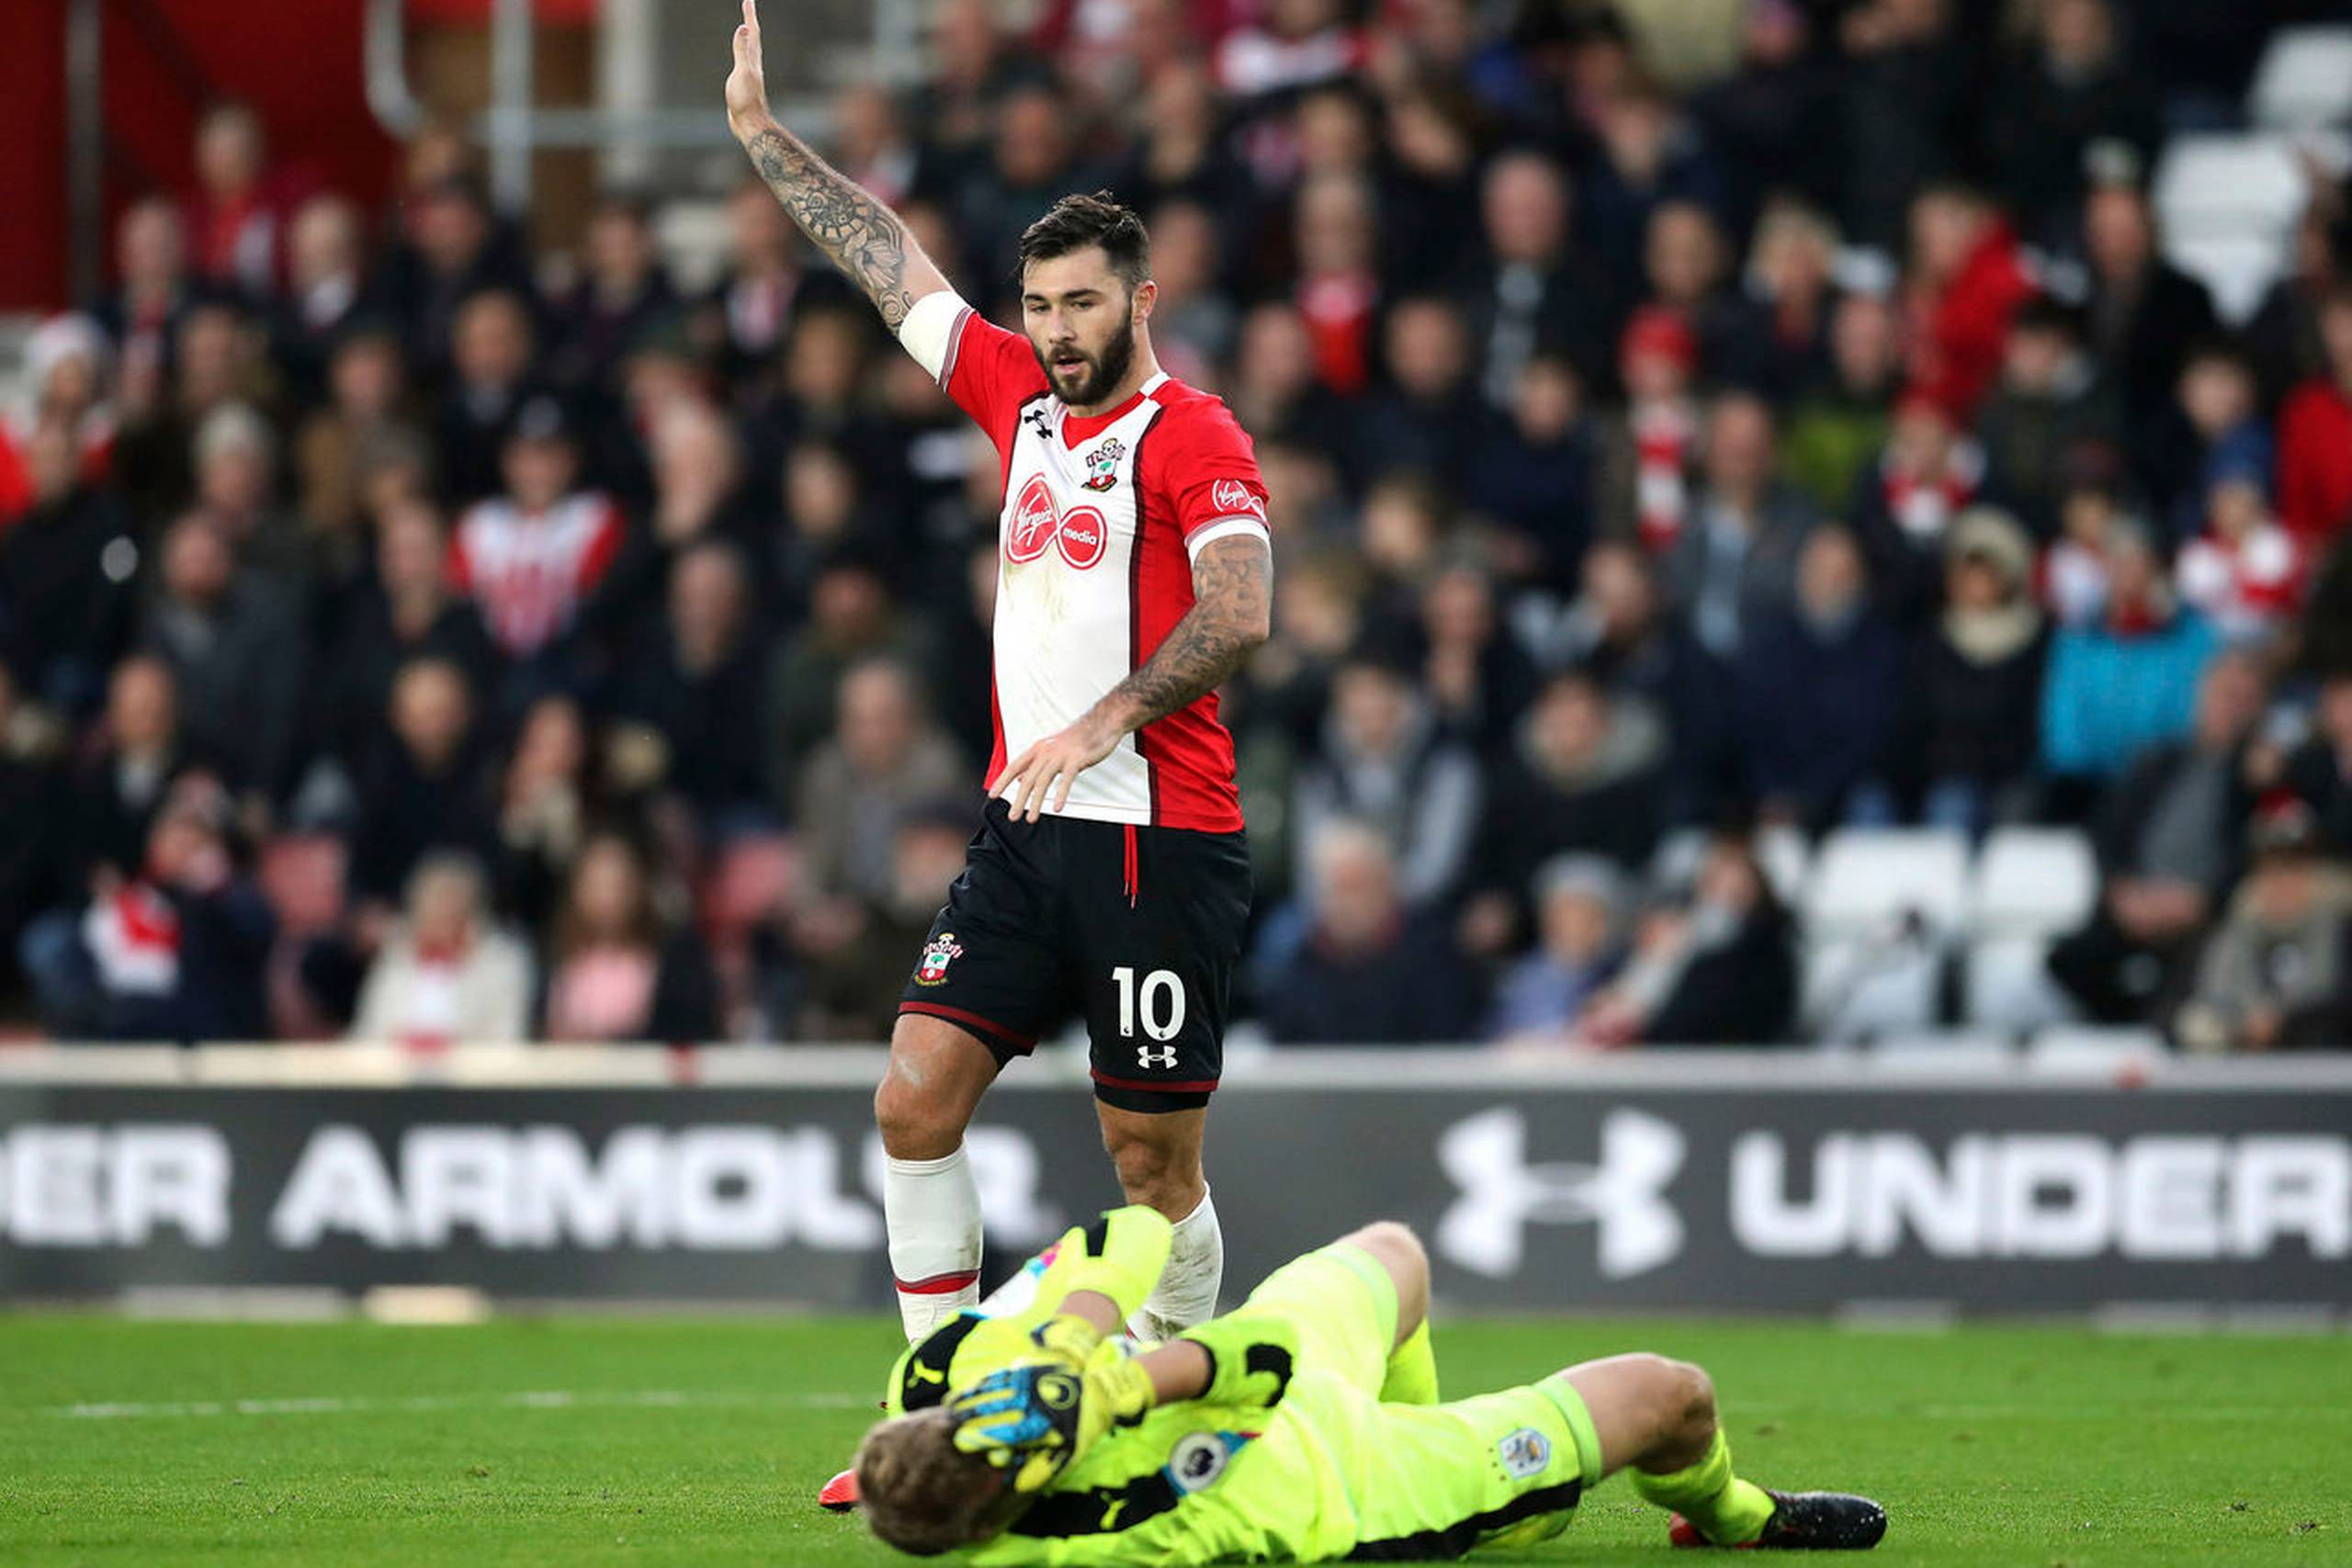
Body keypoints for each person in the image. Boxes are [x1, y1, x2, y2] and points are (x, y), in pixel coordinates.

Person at [727, 0, 1272, 1379]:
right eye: (1038, 305)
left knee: (1151, 1162)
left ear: (1142, 299)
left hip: (1162, 837)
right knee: (913, 1100)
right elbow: (889, 264)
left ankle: (1178, 1379)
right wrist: (764, 136)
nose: (1056, 329)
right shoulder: (1016, 401)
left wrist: (1105, 717)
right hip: (1025, 833)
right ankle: (940, 1396)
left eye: (1083, 302)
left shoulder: (1191, 432)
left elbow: (1243, 608)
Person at [852, 1206, 1887, 1561]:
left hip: (1277, 1357)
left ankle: (1438, 1421)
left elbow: (1127, 1234)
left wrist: (1073, 1344)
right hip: (1349, 1477)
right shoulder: (1103, 1534)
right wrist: (1122, 1394)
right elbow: (1254, 1373)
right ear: (1010, 1503)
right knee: (1674, 1396)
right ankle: (1736, 1518)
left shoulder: (948, 1367)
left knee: (1394, 1254)